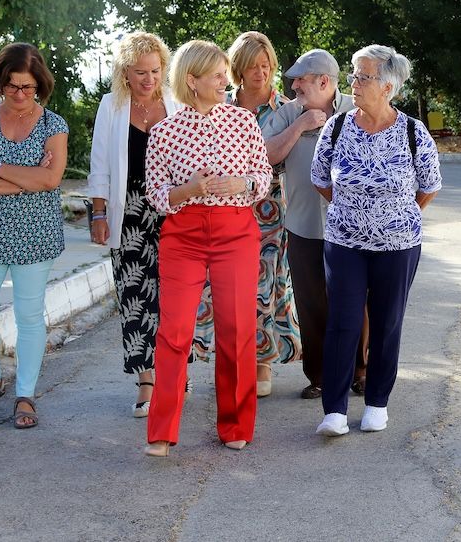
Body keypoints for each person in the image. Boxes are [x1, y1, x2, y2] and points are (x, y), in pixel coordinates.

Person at [143, 40, 272, 457]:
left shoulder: (243, 122)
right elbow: (156, 195)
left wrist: (243, 185)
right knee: (174, 332)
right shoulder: (164, 131)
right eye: (217, 75)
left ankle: (235, 425)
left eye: (225, 74)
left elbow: (263, 177)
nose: (226, 81)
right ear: (192, 81)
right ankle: (161, 431)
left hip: (236, 232)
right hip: (184, 236)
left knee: (236, 330)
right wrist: (190, 189)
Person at [310, 44, 441, 436]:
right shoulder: (336, 127)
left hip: (398, 245)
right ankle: (333, 410)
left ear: (387, 86)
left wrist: (395, 217)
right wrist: (355, 214)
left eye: (363, 76)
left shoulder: (414, 132)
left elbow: (429, 186)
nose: (355, 83)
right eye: (354, 75)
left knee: (387, 324)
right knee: (342, 322)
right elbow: (320, 179)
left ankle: (377, 404)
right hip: (345, 242)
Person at [0, 42, 68, 429]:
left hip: (35, 236)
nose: (20, 95)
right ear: (0, 83)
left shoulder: (53, 125)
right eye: (13, 86)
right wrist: (26, 179)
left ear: (39, 85)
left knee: (29, 316)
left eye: (29, 87)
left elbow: (51, 179)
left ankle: (26, 392)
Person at [87, 31, 191, 418]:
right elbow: (99, 165)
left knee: (174, 294)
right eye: (140, 72)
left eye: (154, 70)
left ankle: (174, 373)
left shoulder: (178, 104)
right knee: (134, 294)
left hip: (173, 208)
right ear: (125, 73)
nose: (148, 79)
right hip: (127, 208)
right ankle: (147, 380)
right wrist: (98, 214)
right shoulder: (110, 106)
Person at [192, 31, 301, 398]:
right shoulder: (220, 106)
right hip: (223, 207)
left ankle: (262, 360)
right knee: (221, 284)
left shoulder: (286, 108)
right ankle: (228, 358)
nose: (261, 71)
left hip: (269, 207)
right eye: (253, 65)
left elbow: (283, 157)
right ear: (238, 68)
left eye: (266, 64)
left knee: (265, 282)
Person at [262, 49, 369, 400]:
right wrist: (300, 126)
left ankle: (361, 371)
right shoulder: (289, 113)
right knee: (311, 302)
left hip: (353, 226)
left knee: (355, 300)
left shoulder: (358, 109)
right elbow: (263, 154)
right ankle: (320, 376)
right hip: (303, 224)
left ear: (324, 81)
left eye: (301, 80)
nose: (293, 85)